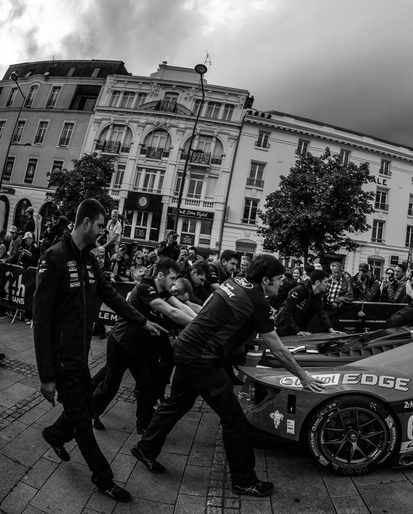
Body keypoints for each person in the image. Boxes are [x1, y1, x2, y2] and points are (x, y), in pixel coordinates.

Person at [131, 255, 325, 498]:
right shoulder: (257, 299)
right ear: (265, 280)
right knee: (234, 419)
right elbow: (277, 347)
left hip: (185, 347)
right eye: (277, 280)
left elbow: (220, 315)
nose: (280, 285)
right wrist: (304, 377)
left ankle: (146, 448)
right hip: (200, 358)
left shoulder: (234, 282)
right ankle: (244, 480)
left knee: (178, 402)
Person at [33, 198, 166, 503]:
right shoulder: (53, 258)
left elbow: (110, 295)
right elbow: (41, 321)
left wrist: (142, 321)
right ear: (85, 223)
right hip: (60, 359)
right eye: (101, 226)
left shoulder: (89, 259)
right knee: (82, 421)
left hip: (79, 355)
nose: (104, 232)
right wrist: (46, 375)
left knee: (88, 407)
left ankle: (54, 434)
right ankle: (103, 478)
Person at [92, 258, 196, 433]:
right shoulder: (144, 287)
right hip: (121, 343)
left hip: (138, 346)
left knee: (146, 385)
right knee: (110, 385)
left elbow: (180, 306)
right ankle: (91, 413)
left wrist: (199, 320)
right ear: (160, 275)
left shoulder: (163, 291)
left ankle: (143, 425)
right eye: (172, 278)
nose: (173, 283)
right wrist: (199, 326)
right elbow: (171, 311)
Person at [276, 270, 338, 337]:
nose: (328, 284)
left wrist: (331, 330)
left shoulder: (317, 296)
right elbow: (287, 311)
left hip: (300, 330)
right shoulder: (299, 290)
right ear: (317, 282)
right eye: (326, 282)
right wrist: (296, 330)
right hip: (285, 330)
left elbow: (321, 313)